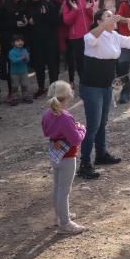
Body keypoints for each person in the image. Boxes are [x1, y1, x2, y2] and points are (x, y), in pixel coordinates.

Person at [77, 9, 130, 180]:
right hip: (91, 87)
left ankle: (101, 154)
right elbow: (88, 38)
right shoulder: (93, 37)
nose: (113, 18)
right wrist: (106, 24)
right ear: (99, 21)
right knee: (93, 125)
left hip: (106, 86)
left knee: (102, 122)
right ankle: (84, 164)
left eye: (113, 16)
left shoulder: (115, 36)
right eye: (108, 16)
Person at [41, 81, 87, 234]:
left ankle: (59, 215)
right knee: (64, 190)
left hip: (55, 154)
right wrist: (81, 129)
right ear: (67, 97)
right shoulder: (65, 117)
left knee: (57, 187)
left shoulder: (47, 113)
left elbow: (46, 133)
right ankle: (65, 223)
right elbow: (76, 140)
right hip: (68, 156)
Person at [25, 0, 59, 99]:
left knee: (52, 65)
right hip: (35, 41)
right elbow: (28, 23)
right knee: (39, 65)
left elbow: (55, 21)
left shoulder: (48, 5)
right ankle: (41, 88)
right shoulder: (27, 7)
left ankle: (54, 88)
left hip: (49, 40)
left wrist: (44, 16)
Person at [61, 0, 96, 85]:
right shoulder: (68, 1)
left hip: (91, 34)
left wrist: (89, 8)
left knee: (92, 59)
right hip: (76, 37)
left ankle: (93, 81)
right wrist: (75, 10)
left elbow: (96, 17)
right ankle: (84, 83)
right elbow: (66, 21)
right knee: (80, 62)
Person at [7, 34, 31, 105]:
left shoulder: (24, 50)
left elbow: (27, 60)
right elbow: (13, 60)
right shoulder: (11, 52)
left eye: (21, 41)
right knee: (15, 86)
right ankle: (14, 98)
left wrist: (26, 58)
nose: (20, 42)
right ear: (13, 43)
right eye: (17, 41)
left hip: (24, 71)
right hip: (14, 73)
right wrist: (22, 58)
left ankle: (25, 96)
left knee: (25, 84)